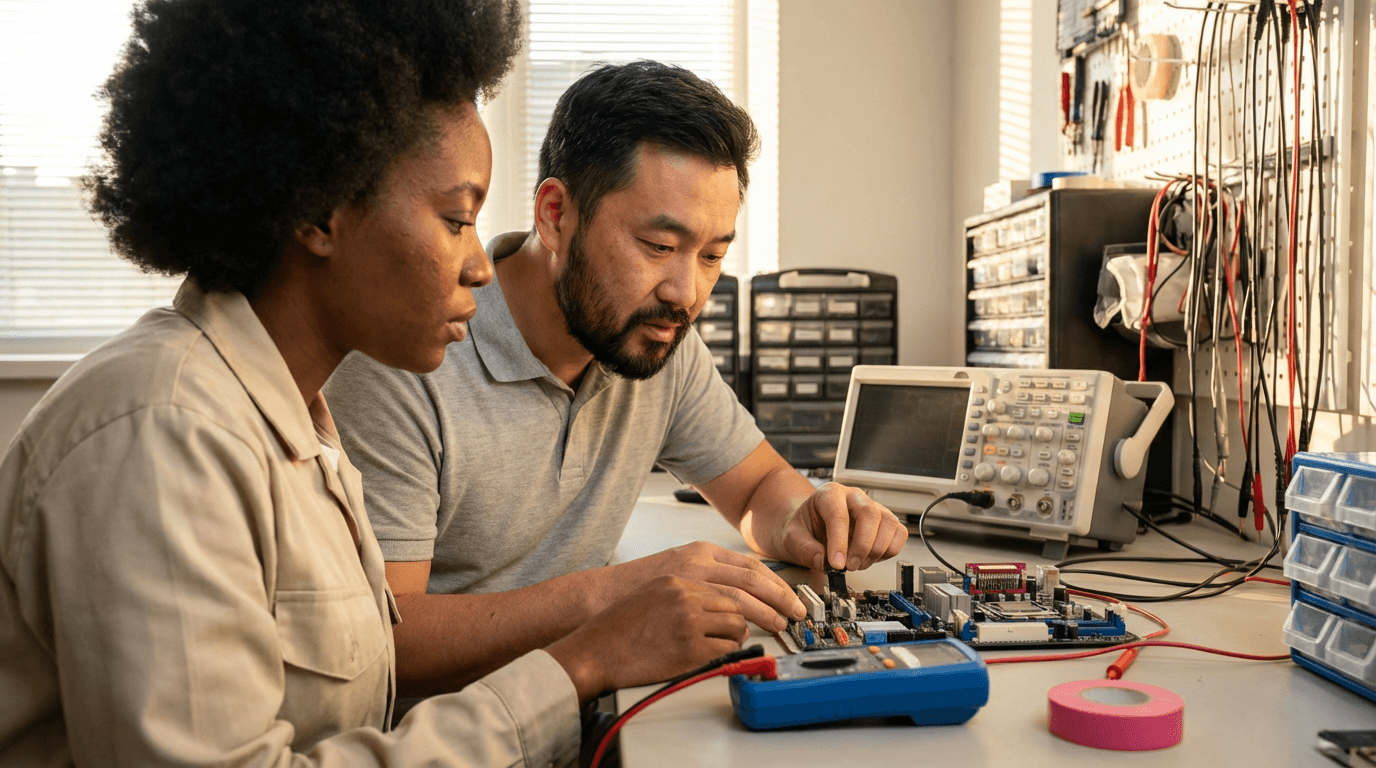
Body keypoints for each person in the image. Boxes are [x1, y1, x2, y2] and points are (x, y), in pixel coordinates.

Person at [0, 4, 751, 765]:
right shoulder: (162, 436)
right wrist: (582, 660)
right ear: (322, 210)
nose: (480, 265)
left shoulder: (299, 427)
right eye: (457, 220)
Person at [323, 61, 909, 697]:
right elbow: (388, 640)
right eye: (659, 246)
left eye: (713, 255)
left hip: (580, 710)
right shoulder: (408, 357)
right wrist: (613, 594)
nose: (687, 293)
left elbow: (756, 487)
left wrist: (805, 515)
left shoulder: (653, 338)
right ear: (555, 216)